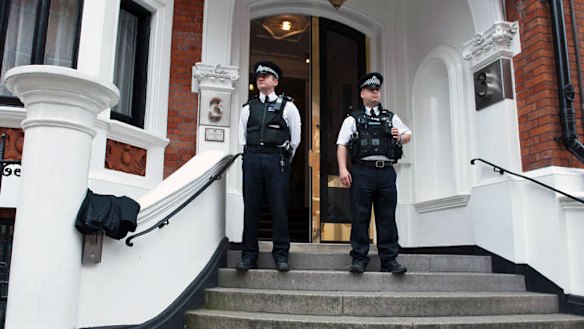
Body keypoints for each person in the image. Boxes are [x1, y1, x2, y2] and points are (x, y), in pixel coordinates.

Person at [336, 72, 412, 274]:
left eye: (377, 89)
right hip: (362, 171)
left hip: (386, 172)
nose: (375, 92)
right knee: (360, 215)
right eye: (371, 90)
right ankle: (359, 258)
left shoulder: (390, 117)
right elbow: (342, 145)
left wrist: (400, 136)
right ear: (362, 93)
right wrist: (343, 169)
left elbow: (408, 135)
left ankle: (389, 260)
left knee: (387, 216)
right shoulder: (353, 119)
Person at [236, 61, 301, 272]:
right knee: (251, 208)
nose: (260, 78)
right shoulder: (248, 108)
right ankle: (248, 256)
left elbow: (296, 139)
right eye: (258, 76)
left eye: (265, 75)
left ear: (275, 81)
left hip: (276, 159)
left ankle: (281, 255)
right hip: (253, 158)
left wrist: (283, 157)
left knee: (279, 208)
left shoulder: (288, 106)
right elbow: (242, 138)